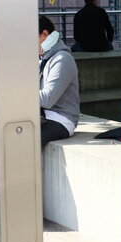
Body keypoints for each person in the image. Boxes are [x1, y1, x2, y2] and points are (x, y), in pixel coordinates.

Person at [38, 15, 80, 145]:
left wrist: (16, 93)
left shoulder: (62, 59)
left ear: (44, 34)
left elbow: (48, 99)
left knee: (21, 138)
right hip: (42, 115)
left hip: (61, 119)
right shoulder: (42, 57)